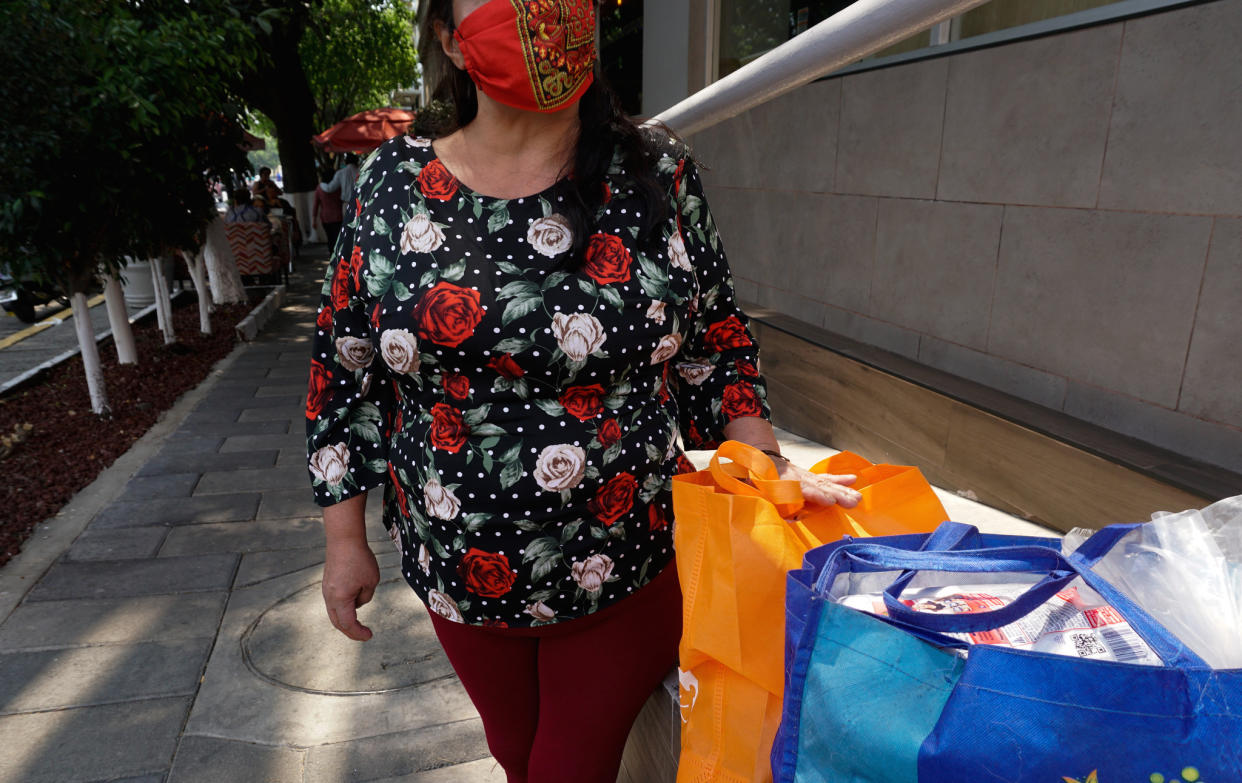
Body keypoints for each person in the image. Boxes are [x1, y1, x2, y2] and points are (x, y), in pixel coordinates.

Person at [305, 1, 861, 781]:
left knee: (568, 768)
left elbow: (716, 343)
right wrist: (342, 541)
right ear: (448, 38)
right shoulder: (391, 184)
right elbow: (343, 366)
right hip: (455, 568)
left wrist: (762, 467)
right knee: (514, 753)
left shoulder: (657, 172)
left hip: (626, 559)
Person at [313, 169, 344, 249]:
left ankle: (331, 255)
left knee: (330, 238)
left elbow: (316, 205)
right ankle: (338, 255)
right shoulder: (338, 187)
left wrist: (314, 220)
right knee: (337, 238)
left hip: (325, 217)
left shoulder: (319, 188)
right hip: (338, 216)